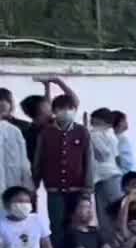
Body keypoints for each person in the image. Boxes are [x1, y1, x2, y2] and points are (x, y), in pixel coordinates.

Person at [34, 90, 92, 234]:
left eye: (70, 108)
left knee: (78, 224)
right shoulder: (46, 133)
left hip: (78, 189)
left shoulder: (82, 132)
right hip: (54, 190)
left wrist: (88, 189)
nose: (66, 112)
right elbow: (39, 160)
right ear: (54, 111)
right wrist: (33, 184)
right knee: (57, 225)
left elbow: (89, 161)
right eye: (61, 108)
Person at [87, 107, 122, 215]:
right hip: (111, 175)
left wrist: (89, 135)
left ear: (101, 120)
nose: (91, 121)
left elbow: (103, 154)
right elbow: (117, 157)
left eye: (93, 119)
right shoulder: (111, 134)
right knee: (115, 211)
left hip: (105, 176)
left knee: (105, 213)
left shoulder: (95, 134)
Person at [0, 89, 30, 195]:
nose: (2, 106)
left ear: (11, 105)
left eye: (6, 102)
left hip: (17, 182)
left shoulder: (24, 127)